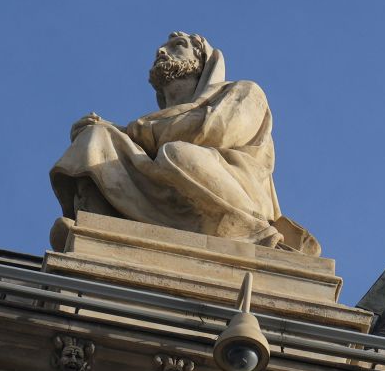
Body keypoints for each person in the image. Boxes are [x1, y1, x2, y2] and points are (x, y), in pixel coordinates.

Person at [49, 32, 319, 255]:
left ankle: (254, 233)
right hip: (166, 173)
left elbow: (211, 130)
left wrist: (132, 131)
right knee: (96, 136)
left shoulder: (244, 91)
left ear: (203, 60)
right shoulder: (147, 130)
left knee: (178, 153)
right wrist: (114, 131)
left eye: (177, 45)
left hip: (232, 187)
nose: (162, 51)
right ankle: (96, 226)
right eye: (162, 48)